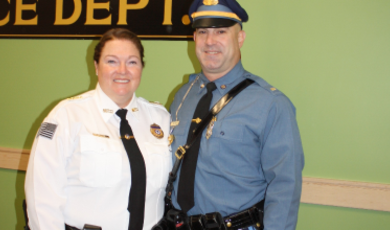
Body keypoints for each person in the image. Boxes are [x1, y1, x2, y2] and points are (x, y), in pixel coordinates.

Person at [168, 0, 304, 229]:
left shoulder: (270, 104)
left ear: (240, 38)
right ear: (194, 39)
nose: (210, 41)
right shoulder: (183, 95)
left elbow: (285, 187)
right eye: (202, 32)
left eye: (221, 31)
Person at [25, 28, 172, 230]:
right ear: (96, 66)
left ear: (141, 68)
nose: (122, 70)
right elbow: (41, 199)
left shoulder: (160, 118)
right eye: (111, 61)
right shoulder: (67, 116)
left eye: (132, 62)